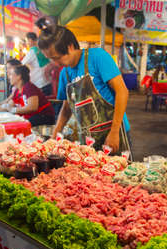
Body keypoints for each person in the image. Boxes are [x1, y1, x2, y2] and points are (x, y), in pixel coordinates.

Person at [37, 17, 131, 154]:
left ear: (70, 46)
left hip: (113, 133)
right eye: (51, 59)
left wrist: (114, 131)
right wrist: (55, 135)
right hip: (87, 139)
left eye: (57, 57)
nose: (55, 63)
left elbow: (122, 92)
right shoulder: (65, 74)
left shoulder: (98, 57)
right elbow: (66, 108)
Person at [21, 32, 52, 96]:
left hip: (39, 83)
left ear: (30, 40)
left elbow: (21, 64)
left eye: (26, 41)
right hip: (48, 81)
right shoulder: (42, 49)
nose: (26, 43)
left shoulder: (32, 51)